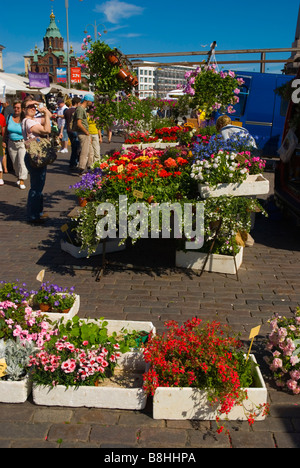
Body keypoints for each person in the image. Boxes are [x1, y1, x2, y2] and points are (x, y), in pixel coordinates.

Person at [22, 99, 52, 224]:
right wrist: (45, 114)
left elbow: (49, 117)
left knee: (38, 186)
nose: (33, 108)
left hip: (37, 155)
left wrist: (43, 109)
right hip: (35, 156)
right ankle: (33, 216)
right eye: (30, 106)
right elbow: (47, 130)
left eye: (34, 106)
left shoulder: (33, 120)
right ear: (24, 110)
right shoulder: (28, 122)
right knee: (36, 187)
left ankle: (37, 212)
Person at [3, 100, 27, 189]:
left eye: (18, 108)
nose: (16, 109)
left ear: (22, 109)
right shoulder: (9, 117)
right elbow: (5, 130)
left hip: (22, 143)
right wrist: (3, 140)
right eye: (15, 107)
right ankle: (18, 175)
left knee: (22, 162)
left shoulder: (24, 119)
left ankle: (22, 180)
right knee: (14, 163)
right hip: (11, 143)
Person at [72, 94, 94, 175]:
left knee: (90, 151)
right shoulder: (80, 109)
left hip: (85, 133)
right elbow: (79, 123)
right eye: (91, 101)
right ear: (87, 101)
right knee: (84, 152)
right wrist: (86, 132)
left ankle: (89, 166)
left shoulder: (82, 109)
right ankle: (81, 168)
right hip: (83, 133)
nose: (92, 103)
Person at [64, 96, 81, 169]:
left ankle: (73, 162)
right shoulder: (77, 111)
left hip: (68, 130)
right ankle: (74, 163)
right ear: (77, 103)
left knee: (73, 147)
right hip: (75, 130)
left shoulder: (67, 111)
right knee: (76, 148)